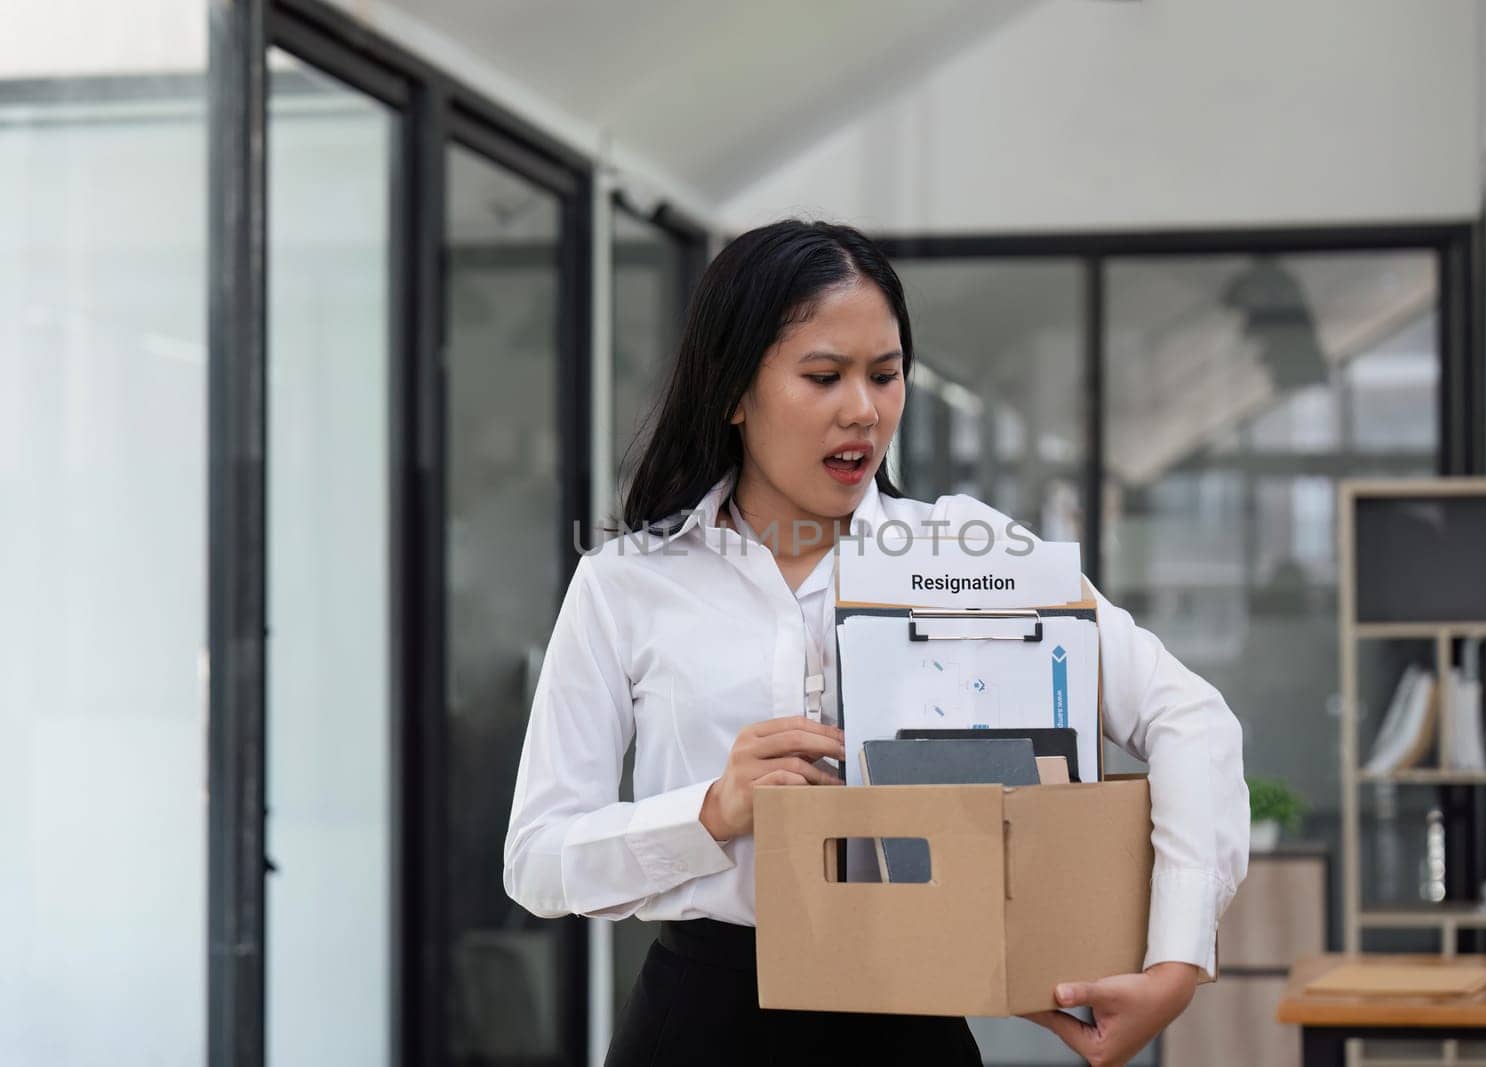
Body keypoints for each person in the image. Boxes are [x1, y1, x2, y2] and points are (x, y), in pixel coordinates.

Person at [503, 219, 1250, 1067]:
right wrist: (709, 811)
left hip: (910, 1025)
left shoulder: (973, 555)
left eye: (885, 374)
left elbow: (1192, 719)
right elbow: (537, 860)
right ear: (733, 392)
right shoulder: (627, 583)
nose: (863, 409)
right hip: (701, 1025)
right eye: (824, 375)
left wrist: (1178, 960)